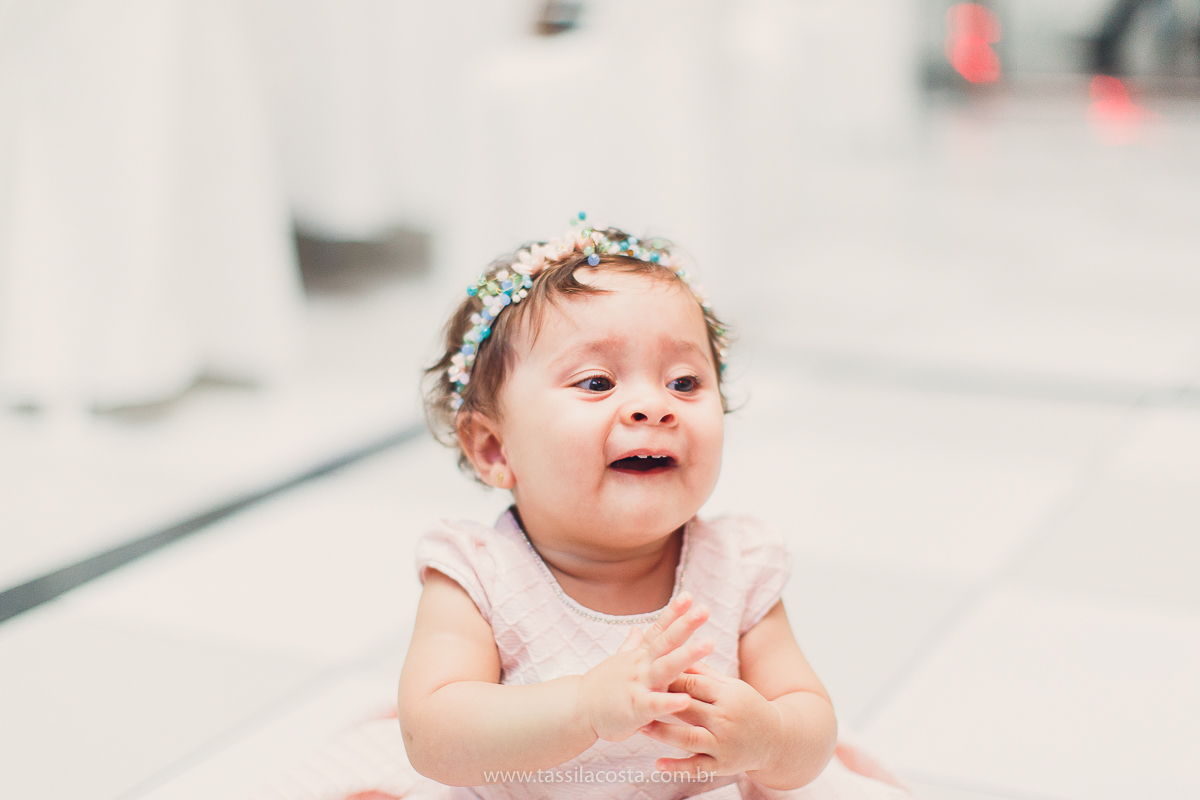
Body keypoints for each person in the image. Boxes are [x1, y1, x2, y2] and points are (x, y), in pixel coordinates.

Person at [388, 216, 915, 800]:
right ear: (493, 448)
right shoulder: (479, 576)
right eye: (596, 382)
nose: (653, 405)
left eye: (684, 382)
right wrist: (584, 706)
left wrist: (770, 739)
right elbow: (432, 736)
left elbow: (810, 721)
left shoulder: (737, 564)